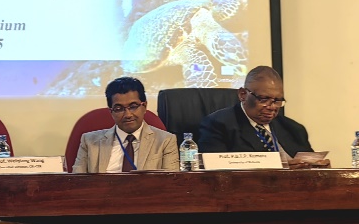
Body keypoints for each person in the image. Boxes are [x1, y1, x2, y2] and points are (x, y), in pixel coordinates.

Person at [197, 65, 328, 167]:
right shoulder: (217, 125)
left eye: (277, 101)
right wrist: (280, 167)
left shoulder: (294, 129)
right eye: (264, 99)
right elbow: (215, 171)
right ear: (243, 94)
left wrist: (320, 169)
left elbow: (310, 167)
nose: (272, 107)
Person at [73, 77, 180, 173]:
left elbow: (171, 184)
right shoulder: (89, 141)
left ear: (144, 106)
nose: (128, 115)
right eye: (119, 109)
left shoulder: (165, 141)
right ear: (111, 112)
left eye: (133, 106)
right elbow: (76, 183)